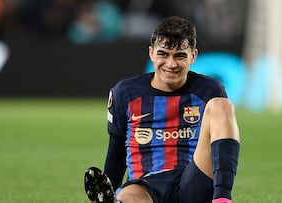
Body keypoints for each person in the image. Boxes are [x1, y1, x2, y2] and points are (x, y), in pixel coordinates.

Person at [84, 16, 241, 203]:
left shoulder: (209, 89)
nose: (171, 63)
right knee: (126, 197)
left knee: (221, 106)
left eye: (180, 55)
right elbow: (116, 154)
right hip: (145, 186)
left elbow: (218, 148)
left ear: (193, 56)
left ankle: (223, 200)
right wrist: (109, 187)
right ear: (151, 53)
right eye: (163, 54)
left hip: (192, 182)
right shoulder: (125, 93)